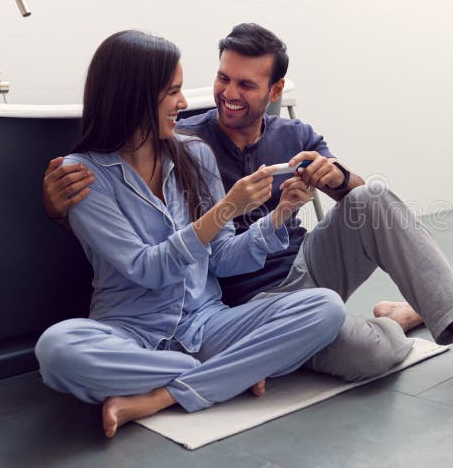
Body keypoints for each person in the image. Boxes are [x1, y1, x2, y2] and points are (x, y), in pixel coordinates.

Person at [44, 23, 453, 399]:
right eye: (222, 79)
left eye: (245, 85)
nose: (222, 95)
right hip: (243, 307)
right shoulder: (187, 139)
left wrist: (326, 185)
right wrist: (58, 207)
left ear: (275, 92)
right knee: (372, 354)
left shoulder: (286, 135)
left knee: (375, 198)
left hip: (298, 279)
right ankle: (371, 325)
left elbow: (360, 206)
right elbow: (140, 249)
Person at [35, 30, 346, 439]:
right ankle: (226, 375)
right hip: (131, 335)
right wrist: (226, 210)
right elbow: (145, 268)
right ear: (135, 96)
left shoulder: (195, 154)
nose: (183, 104)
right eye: (173, 91)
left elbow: (220, 258)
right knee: (56, 350)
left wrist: (280, 215)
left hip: (209, 324)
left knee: (325, 308)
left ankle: (162, 395)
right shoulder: (85, 175)